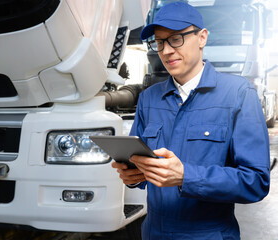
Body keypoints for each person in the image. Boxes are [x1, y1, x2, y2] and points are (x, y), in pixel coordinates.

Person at [112, 2, 270, 239]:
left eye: (176, 39)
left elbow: (255, 181)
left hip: (209, 234)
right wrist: (133, 177)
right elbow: (143, 165)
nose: (166, 50)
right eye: (160, 42)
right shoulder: (149, 99)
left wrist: (186, 176)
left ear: (202, 37)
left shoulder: (238, 94)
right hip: (154, 233)